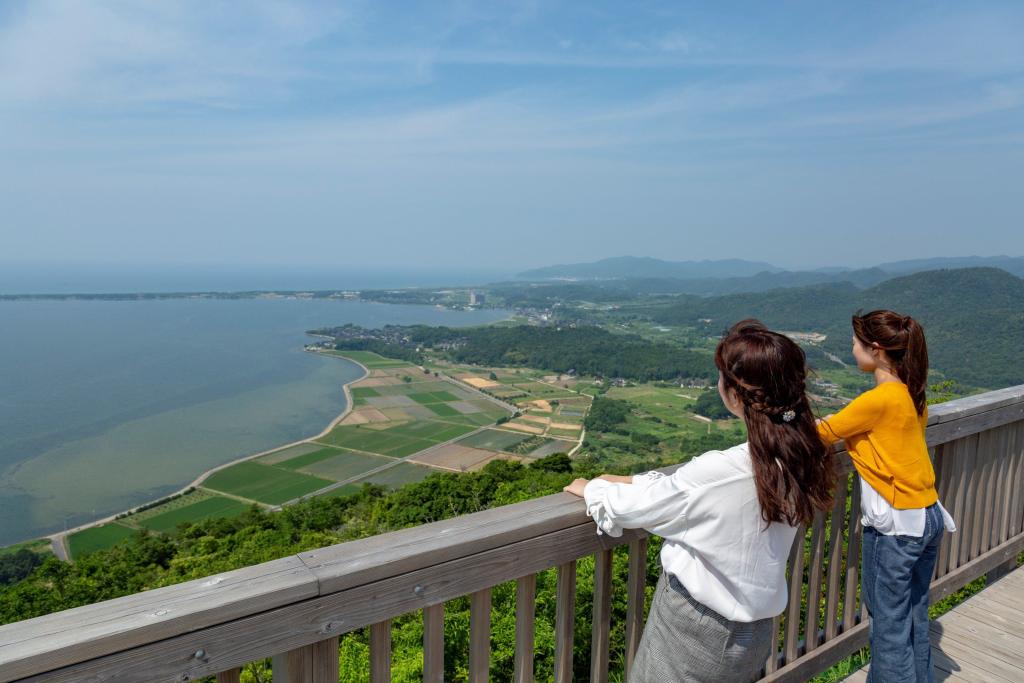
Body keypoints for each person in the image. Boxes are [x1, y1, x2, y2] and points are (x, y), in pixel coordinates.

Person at [564, 320, 835, 682]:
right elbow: (687, 491)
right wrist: (634, 480)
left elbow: (635, 507)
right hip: (756, 631)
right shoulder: (801, 454)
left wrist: (593, 487)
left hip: (696, 628)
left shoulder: (724, 471)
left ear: (734, 394)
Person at [817, 310, 955, 683]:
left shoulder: (879, 399)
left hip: (897, 525)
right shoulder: (913, 395)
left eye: (856, 343)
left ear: (876, 350)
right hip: (929, 515)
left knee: (889, 624)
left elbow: (821, 434)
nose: (851, 348)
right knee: (913, 613)